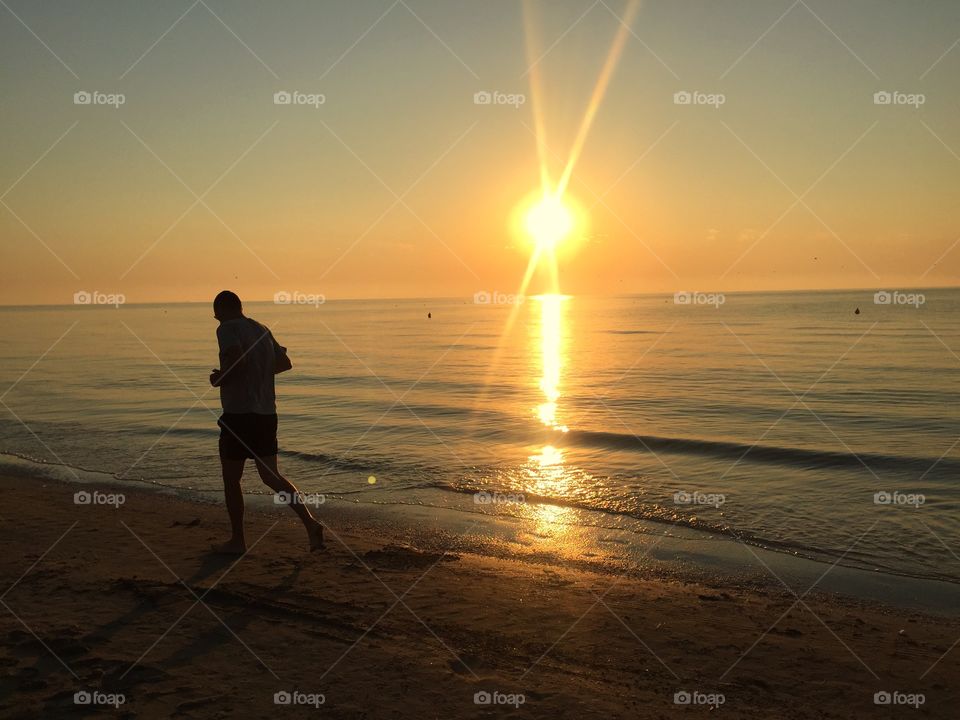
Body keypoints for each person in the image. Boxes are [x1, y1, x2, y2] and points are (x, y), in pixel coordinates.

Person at [209, 290, 324, 554]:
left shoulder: (227, 329)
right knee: (271, 477)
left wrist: (220, 379)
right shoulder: (261, 329)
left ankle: (238, 541)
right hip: (266, 414)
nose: (216, 320)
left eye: (216, 315)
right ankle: (310, 523)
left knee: (231, 479)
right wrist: (256, 372)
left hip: (239, 414)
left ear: (222, 310)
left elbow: (237, 360)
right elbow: (284, 363)